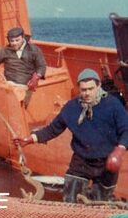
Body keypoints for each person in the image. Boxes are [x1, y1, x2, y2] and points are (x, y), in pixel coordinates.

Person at [13, 69, 128, 202]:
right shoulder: (71, 107)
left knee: (102, 203)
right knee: (70, 200)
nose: (87, 93)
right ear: (78, 88)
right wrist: (29, 139)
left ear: (98, 86)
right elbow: (52, 129)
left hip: (107, 163)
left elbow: (126, 129)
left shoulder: (113, 105)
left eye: (91, 89)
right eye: (83, 90)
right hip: (81, 162)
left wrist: (119, 150)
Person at [0, 26, 47, 106]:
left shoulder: (33, 50)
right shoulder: (4, 51)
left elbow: (41, 66)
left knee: (17, 100)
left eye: (17, 40)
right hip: (9, 83)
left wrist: (36, 78)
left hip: (26, 84)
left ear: (23, 38)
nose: (14, 43)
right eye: (12, 41)